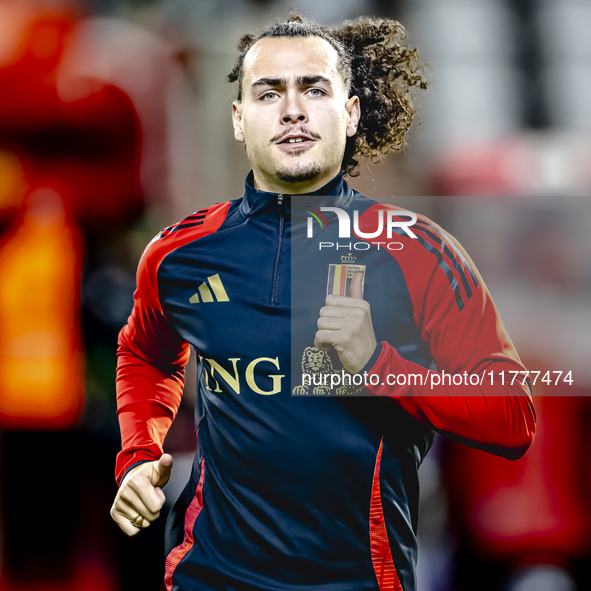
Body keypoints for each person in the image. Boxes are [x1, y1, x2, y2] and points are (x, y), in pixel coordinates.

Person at [110, 14, 536, 591]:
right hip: (208, 575)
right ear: (239, 120)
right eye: (268, 92)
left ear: (352, 113)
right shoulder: (180, 255)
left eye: (314, 88)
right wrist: (138, 454)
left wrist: (378, 366)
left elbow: (512, 418)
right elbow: (146, 353)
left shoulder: (417, 252)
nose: (292, 110)